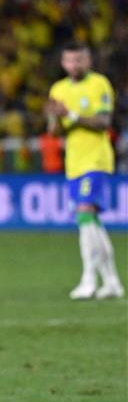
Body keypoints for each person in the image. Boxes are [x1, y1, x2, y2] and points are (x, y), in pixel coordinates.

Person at [45, 41, 124, 300]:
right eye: (69, 60)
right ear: (63, 63)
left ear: (88, 61)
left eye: (79, 60)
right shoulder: (58, 89)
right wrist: (54, 116)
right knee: (90, 221)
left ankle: (88, 279)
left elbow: (103, 122)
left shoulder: (99, 84)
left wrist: (71, 114)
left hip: (96, 159)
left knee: (84, 213)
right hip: (74, 163)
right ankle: (111, 281)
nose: (74, 65)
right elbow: (55, 132)